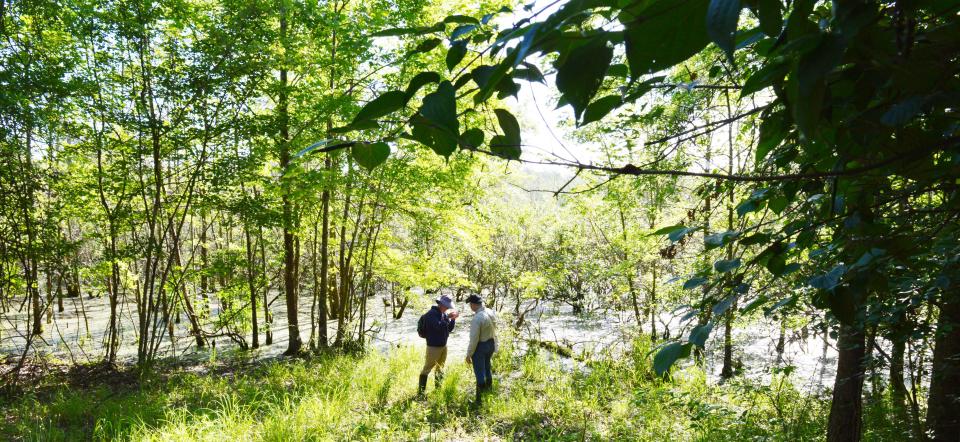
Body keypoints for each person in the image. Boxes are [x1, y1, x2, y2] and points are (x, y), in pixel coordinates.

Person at [418, 294, 458, 396]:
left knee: (440, 368)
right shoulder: (431, 315)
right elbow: (438, 327)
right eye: (447, 306)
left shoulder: (443, 314)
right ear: (441, 304)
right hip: (433, 347)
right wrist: (447, 317)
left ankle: (438, 391)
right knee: (427, 369)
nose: (448, 308)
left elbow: (448, 329)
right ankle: (421, 393)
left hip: (443, 346)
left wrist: (453, 319)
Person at [464, 294, 497, 405]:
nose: (470, 306)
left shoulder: (477, 318)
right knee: (487, 368)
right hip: (491, 344)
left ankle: (479, 401)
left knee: (479, 372)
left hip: (481, 346)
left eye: (470, 304)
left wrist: (469, 354)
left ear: (473, 305)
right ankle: (489, 392)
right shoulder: (490, 312)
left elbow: (474, 339)